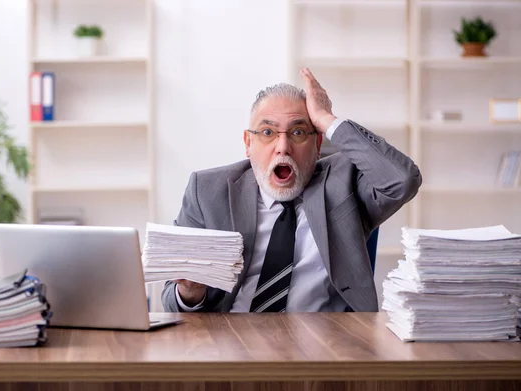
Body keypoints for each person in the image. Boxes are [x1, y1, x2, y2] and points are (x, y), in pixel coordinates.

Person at [162, 68, 422, 313]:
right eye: (267, 132)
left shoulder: (344, 182)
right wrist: (190, 292)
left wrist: (327, 120)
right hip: (234, 339)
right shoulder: (207, 191)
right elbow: (172, 303)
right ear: (248, 143)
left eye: (298, 132)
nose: (283, 147)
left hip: (326, 343)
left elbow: (403, 180)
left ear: (318, 142)